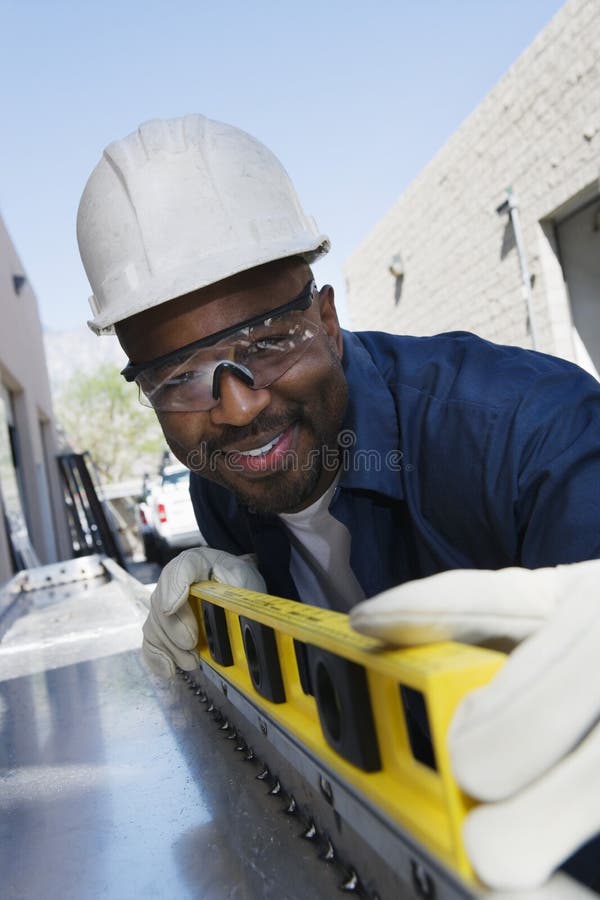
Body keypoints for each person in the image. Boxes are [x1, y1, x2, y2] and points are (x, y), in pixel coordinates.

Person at [77, 113, 600, 892]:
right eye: (179, 377)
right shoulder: (224, 493)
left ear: (327, 318)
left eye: (264, 342)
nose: (239, 409)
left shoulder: (528, 437)